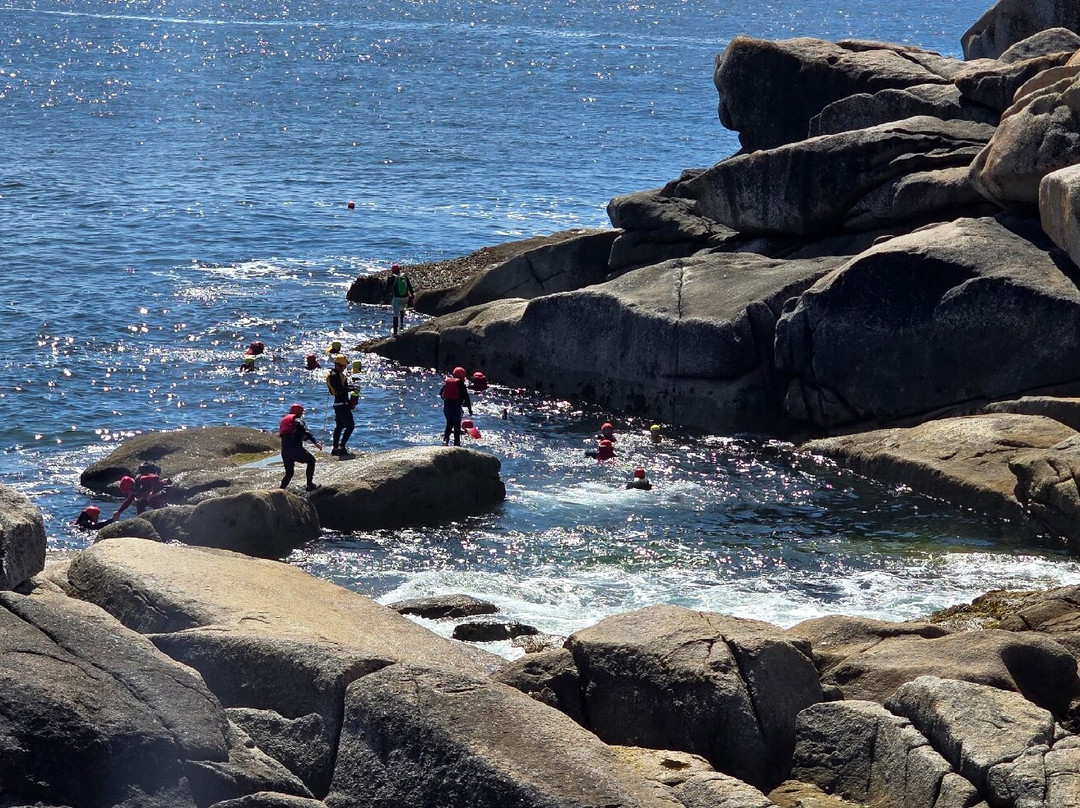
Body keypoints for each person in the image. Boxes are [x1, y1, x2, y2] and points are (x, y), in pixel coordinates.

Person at [279, 403, 321, 491]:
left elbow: (290, 434)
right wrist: (315, 442)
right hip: (295, 449)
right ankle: (309, 485)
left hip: (285, 450)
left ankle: (281, 490)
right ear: (299, 412)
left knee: (289, 474)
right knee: (311, 461)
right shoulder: (297, 420)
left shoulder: (284, 420)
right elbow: (305, 432)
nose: (302, 414)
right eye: (302, 412)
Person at [326, 355, 357, 456]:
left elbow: (344, 387)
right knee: (350, 426)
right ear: (338, 365)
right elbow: (340, 388)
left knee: (339, 427)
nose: (344, 368)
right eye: (343, 366)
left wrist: (353, 387)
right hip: (341, 404)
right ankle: (342, 447)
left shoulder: (338, 374)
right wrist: (352, 389)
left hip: (339, 404)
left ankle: (335, 448)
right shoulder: (335, 375)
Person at [440, 366, 473, 446]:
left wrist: (447, 400)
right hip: (456, 408)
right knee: (457, 426)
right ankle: (456, 444)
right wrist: (469, 409)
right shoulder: (461, 384)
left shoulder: (447, 382)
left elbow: (441, 394)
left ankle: (445, 440)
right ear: (462, 376)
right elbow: (467, 398)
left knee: (449, 424)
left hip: (447, 408)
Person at [384, 264, 415, 336]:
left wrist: (383, 299)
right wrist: (412, 296)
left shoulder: (391, 277)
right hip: (405, 298)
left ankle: (395, 333)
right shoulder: (404, 276)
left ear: (392, 271)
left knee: (395, 315)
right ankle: (401, 324)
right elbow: (410, 287)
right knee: (402, 309)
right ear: (399, 270)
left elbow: (386, 289)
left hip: (397, 298)